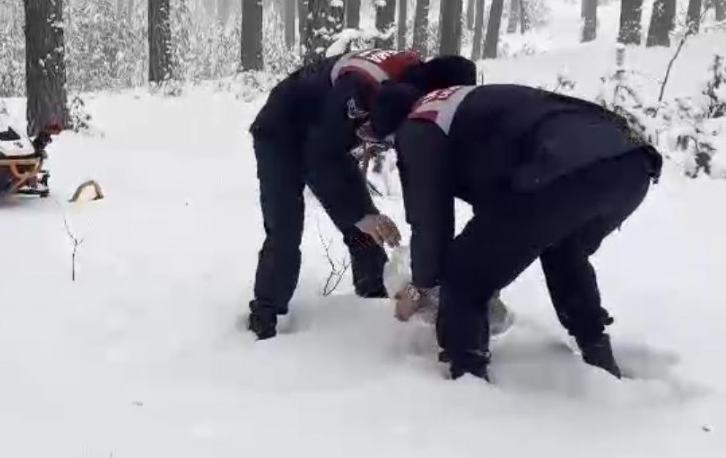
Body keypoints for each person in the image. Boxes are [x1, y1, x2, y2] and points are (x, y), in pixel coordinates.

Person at [366, 82, 662, 380]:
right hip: (632, 163)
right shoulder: (456, 104)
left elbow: (429, 220)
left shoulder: (419, 124)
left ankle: (466, 377)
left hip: (562, 168)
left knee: (463, 272)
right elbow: (498, 205)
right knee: (563, 250)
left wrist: (421, 286)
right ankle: (597, 352)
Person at [245, 49, 478, 340]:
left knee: (368, 228)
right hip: (281, 131)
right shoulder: (361, 85)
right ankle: (265, 319)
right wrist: (358, 215)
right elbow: (319, 155)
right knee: (286, 229)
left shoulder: (410, 83)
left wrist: (374, 217)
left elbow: (412, 160)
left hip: (326, 137)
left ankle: (372, 298)